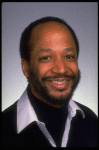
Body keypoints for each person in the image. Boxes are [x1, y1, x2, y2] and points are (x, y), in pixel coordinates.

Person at [2, 16, 98, 147]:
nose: (61, 69)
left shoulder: (91, 121)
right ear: (26, 68)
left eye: (69, 56)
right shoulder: (3, 130)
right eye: (46, 57)